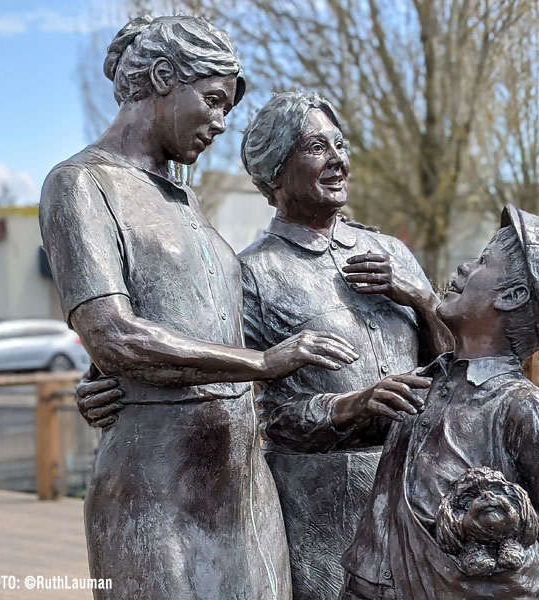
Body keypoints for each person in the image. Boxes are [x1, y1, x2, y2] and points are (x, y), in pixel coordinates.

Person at [76, 91, 452, 600]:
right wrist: (104, 383)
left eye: (340, 145)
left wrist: (423, 300)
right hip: (321, 506)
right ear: (276, 170)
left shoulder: (391, 253)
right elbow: (248, 400)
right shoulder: (251, 274)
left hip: (413, 494)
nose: (338, 160)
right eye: (317, 147)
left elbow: (452, 369)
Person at [40, 18, 357, 600]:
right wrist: (261, 363)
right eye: (212, 101)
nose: (219, 123)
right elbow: (112, 334)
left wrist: (114, 374)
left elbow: (180, 320)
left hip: (241, 489)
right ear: (163, 78)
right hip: (155, 490)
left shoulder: (185, 197)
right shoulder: (81, 185)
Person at [340, 206, 539, 600]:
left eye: (482, 261)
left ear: (512, 296)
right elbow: (298, 432)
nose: (462, 268)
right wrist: (354, 406)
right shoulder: (421, 383)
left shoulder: (524, 408)